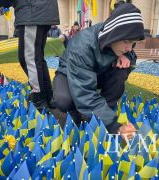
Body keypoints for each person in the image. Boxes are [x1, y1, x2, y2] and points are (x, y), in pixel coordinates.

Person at [51, 3, 144, 137]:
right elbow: (84, 92)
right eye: (127, 42)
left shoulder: (118, 41)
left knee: (121, 70)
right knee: (63, 101)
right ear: (114, 35)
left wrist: (127, 56)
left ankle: (103, 111)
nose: (129, 48)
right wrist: (114, 126)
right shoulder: (82, 46)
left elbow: (130, 53)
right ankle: (90, 114)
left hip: (95, 72)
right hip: (69, 72)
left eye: (133, 43)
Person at [0, 0, 60, 112]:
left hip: (32, 11)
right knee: (37, 57)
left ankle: (39, 100)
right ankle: (47, 96)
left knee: (29, 58)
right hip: (40, 10)